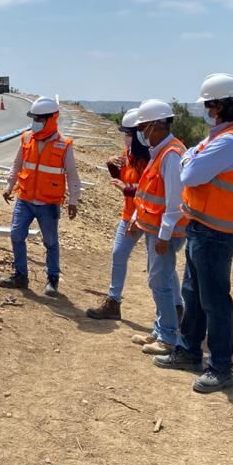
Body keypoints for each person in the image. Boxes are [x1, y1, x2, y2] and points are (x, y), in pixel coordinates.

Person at [154, 73, 233, 394]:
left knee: (214, 301)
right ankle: (188, 351)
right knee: (195, 295)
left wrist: (190, 158)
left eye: (209, 105)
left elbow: (190, 173)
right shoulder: (220, 136)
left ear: (221, 106)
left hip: (217, 231)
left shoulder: (229, 141)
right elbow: (192, 159)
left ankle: (220, 367)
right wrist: (192, 156)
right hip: (203, 227)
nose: (207, 110)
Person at [0, 97, 81, 297]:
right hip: (25, 199)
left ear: (51, 119)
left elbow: (72, 174)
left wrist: (73, 201)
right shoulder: (26, 138)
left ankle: (52, 280)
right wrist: (9, 186)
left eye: (39, 119)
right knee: (16, 235)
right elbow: (17, 164)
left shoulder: (64, 145)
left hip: (48, 203)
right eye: (34, 118)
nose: (35, 122)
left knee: (50, 242)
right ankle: (20, 276)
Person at [127, 99, 187, 355]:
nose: (141, 133)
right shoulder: (160, 151)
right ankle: (161, 329)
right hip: (155, 229)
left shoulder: (171, 155)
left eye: (143, 128)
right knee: (161, 281)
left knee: (159, 282)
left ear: (155, 126)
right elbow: (149, 192)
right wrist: (136, 220)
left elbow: (175, 202)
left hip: (166, 232)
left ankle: (168, 338)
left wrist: (163, 235)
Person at [86, 108, 152, 320]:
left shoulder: (151, 158)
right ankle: (113, 302)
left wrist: (126, 189)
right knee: (118, 255)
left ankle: (177, 307)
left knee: (159, 265)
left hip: (150, 216)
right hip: (129, 214)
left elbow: (148, 190)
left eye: (129, 134)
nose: (126, 138)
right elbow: (124, 180)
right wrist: (111, 167)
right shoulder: (128, 155)